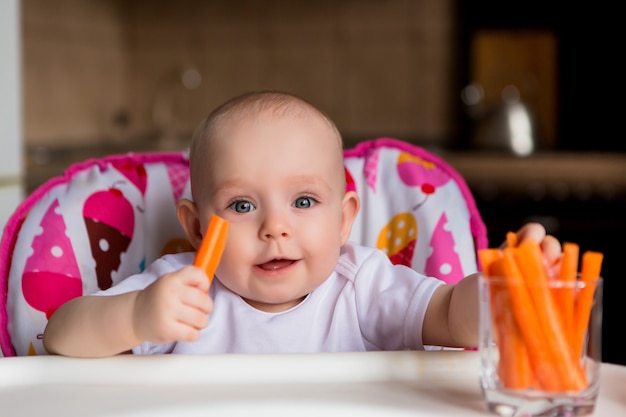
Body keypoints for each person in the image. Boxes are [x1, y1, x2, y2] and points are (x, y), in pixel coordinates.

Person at [42, 90, 562, 357]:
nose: (275, 227)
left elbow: (450, 315)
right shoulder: (182, 293)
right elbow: (60, 336)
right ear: (199, 230)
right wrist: (137, 317)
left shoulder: (361, 287)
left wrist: (502, 292)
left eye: (305, 201)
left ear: (344, 220)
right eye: (243, 206)